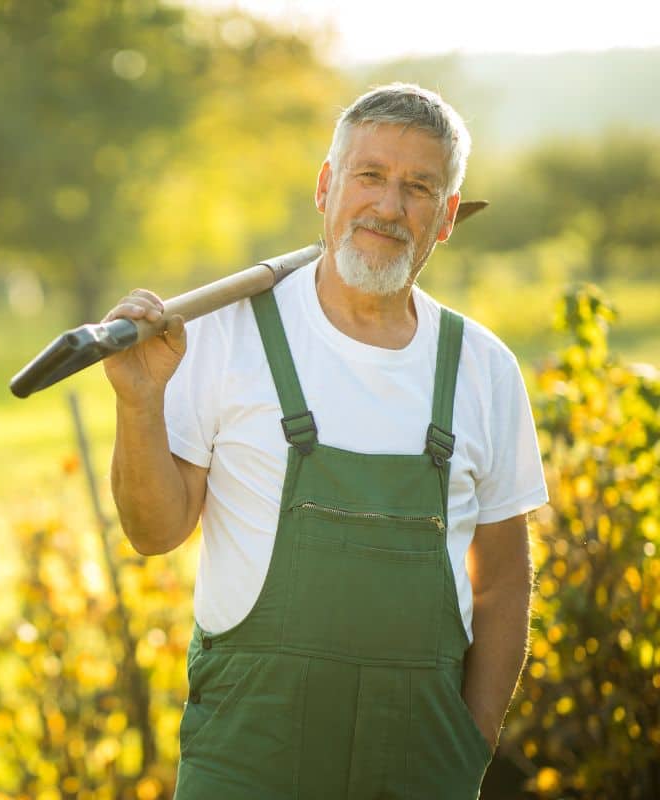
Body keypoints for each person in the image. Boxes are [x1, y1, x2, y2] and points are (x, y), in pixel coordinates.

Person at [101, 83, 548, 799]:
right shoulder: (226, 332)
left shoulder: (482, 367)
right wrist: (140, 400)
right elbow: (153, 533)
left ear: (446, 218)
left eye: (418, 187)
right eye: (369, 176)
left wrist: (470, 744)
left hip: (421, 768)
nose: (388, 206)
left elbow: (501, 579)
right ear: (326, 187)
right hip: (245, 760)